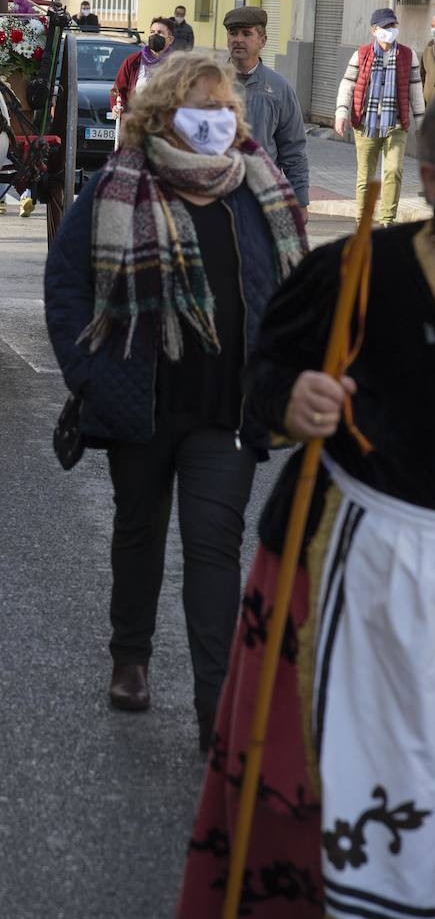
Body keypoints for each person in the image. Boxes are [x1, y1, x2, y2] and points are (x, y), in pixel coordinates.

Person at [178, 99, 435, 919]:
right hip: (344, 568)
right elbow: (265, 370)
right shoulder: (362, 270)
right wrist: (295, 400)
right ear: (430, 177)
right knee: (305, 800)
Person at [45, 54, 306, 750]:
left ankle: (214, 708)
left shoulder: (258, 190)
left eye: (224, 109)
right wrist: (88, 376)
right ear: (162, 114)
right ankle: (129, 654)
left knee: (213, 547)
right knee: (138, 528)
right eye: (199, 106)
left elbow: (290, 301)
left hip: (228, 408)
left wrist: (284, 378)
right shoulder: (114, 186)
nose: (214, 120)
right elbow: (67, 286)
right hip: (141, 402)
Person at [335, 6, 425, 224]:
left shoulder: (408, 55)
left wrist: (422, 123)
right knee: (366, 176)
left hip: (395, 124)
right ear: (374, 30)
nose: (391, 29)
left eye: (393, 25)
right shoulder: (362, 54)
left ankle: (387, 220)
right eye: (386, 26)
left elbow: (415, 89)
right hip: (366, 124)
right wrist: (341, 113)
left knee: (393, 171)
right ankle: (363, 220)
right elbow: (347, 85)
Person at [224, 4, 310, 214]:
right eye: (233, 33)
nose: (238, 39)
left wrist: (300, 200)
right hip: (218, 193)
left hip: (262, 195)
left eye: (246, 33)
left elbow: (293, 149)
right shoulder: (209, 81)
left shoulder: (279, 88)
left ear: (263, 40)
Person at [110, 17, 176, 109]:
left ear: (170, 39)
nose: (155, 35)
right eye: (152, 32)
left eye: (160, 33)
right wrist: (116, 106)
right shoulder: (133, 61)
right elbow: (118, 89)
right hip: (137, 118)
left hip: (165, 119)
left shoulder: (177, 65)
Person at [420, 10, 435, 107]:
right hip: (429, 106)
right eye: (432, 26)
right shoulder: (427, 49)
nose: (433, 29)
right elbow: (422, 76)